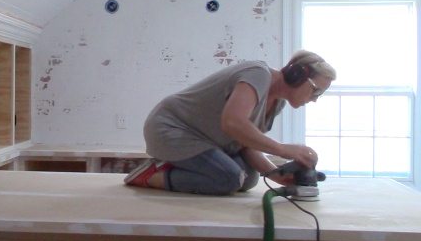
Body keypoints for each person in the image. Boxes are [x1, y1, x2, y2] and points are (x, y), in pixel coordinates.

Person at [124, 50, 336, 195]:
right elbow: (232, 123)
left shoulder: (277, 104)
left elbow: (245, 143)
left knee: (249, 179)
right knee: (228, 178)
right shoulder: (258, 74)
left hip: (204, 140)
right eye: (316, 90)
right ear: (298, 75)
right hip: (171, 128)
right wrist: (282, 150)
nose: (316, 98)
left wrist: (277, 176)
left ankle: (177, 167)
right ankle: (151, 175)